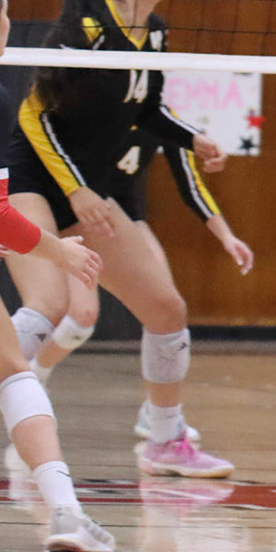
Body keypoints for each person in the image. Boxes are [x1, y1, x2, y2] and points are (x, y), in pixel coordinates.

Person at [0, 0, 234, 480]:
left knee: (166, 308)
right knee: (48, 303)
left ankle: (165, 440)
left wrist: (192, 138)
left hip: (87, 188)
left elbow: (146, 109)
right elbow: (35, 115)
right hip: (33, 177)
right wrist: (75, 188)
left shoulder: (154, 33)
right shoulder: (86, 32)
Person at [0, 0, 115, 552]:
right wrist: (58, 250)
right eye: (7, 12)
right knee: (14, 377)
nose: (11, 22)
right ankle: (66, 514)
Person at [26, 132, 254, 439]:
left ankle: (156, 412)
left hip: (128, 217)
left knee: (166, 310)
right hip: (79, 216)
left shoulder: (159, 117)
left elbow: (189, 181)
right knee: (82, 318)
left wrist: (226, 236)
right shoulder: (89, 114)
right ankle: (35, 375)